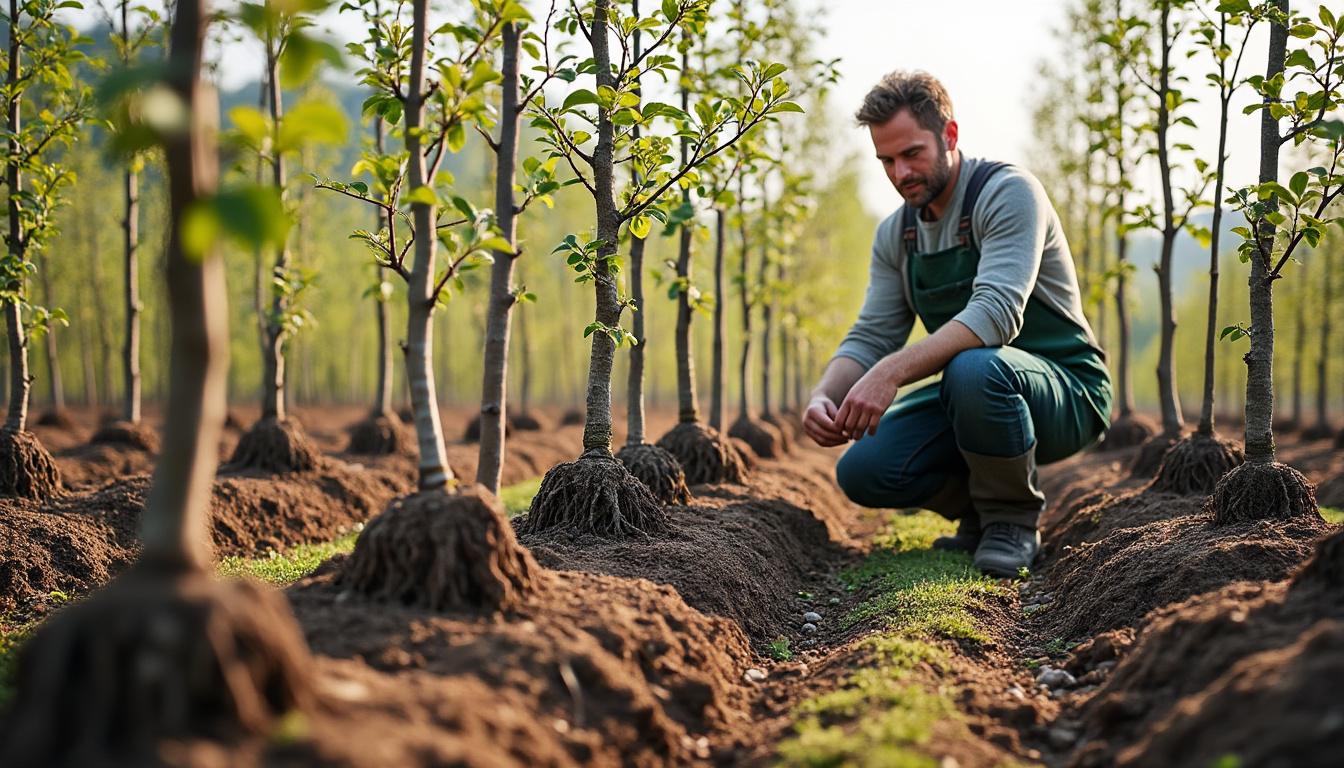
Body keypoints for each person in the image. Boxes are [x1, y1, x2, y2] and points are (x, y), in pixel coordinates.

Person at [802, 71, 1112, 577]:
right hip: (973, 393)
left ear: (949, 136)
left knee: (974, 368)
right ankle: (981, 513)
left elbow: (996, 313)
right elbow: (873, 334)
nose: (900, 173)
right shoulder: (897, 235)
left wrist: (891, 374)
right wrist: (826, 395)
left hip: (1066, 391)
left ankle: (1013, 519)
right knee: (863, 469)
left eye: (912, 154)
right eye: (886, 160)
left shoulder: (1008, 193)